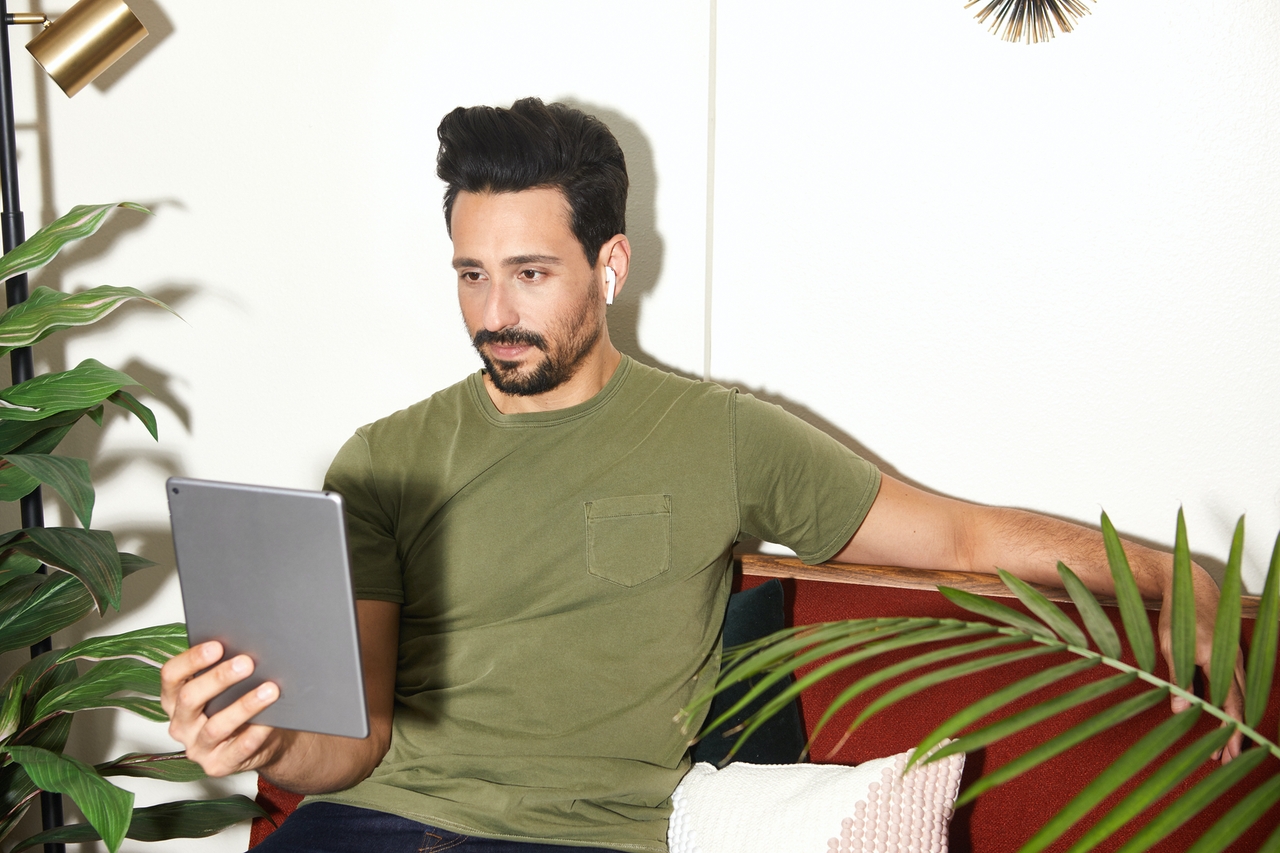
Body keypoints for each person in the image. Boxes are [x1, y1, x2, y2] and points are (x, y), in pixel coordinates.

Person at [160, 98, 1244, 853]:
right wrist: (263, 742)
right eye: (472, 275)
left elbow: (959, 539)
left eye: (530, 274)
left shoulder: (720, 436)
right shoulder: (383, 457)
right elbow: (353, 741)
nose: (493, 313)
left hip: (580, 839)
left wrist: (1179, 584)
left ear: (611, 265)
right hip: (372, 826)